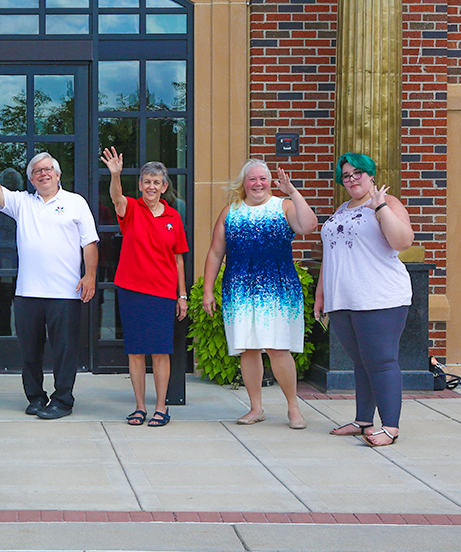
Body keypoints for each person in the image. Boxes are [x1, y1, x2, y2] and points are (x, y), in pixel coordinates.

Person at [0, 141, 98, 419]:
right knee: (30, 351)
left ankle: (63, 400)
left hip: (66, 292)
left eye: (47, 169)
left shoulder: (75, 202)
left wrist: (90, 275)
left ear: (57, 175)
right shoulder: (23, 203)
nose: (42, 174)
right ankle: (35, 398)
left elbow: (89, 242)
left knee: (64, 351)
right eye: (36, 171)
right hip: (28, 292)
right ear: (31, 179)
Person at [202, 159, 318, 429]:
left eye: (263, 179)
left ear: (270, 181)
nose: (258, 184)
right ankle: (256, 408)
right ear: (244, 183)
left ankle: (293, 408)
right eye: (252, 179)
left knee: (278, 348)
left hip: (277, 288)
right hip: (240, 290)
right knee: (248, 349)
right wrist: (208, 290)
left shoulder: (283, 206)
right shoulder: (230, 212)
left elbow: (308, 226)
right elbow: (216, 253)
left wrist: (293, 191)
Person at [316, 152, 414, 447]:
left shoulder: (388, 203)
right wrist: (321, 294)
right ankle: (363, 421)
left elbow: (403, 241)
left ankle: (391, 428)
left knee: (381, 361)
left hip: (380, 297)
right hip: (344, 299)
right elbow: (330, 255)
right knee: (361, 362)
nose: (352, 179)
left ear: (372, 175)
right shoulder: (342, 209)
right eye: (346, 175)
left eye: (358, 173)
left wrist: (380, 206)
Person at [100, 148, 188, 428]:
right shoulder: (131, 209)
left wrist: (181, 295)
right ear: (139, 185)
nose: (151, 186)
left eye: (156, 182)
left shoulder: (174, 217)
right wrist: (115, 175)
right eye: (146, 181)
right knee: (136, 351)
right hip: (131, 290)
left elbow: (178, 258)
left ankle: (161, 408)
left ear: (164, 187)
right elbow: (116, 197)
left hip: (163, 292)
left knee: (161, 352)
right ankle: (139, 407)